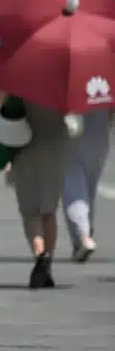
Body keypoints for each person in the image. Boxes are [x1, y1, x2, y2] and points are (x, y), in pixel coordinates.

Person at [7, 103, 87, 288]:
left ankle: (40, 255)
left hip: (25, 143)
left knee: (30, 210)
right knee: (49, 209)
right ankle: (48, 261)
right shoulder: (63, 84)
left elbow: (7, 113)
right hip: (56, 144)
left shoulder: (19, 82)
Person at [62, 110, 109, 263]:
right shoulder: (106, 86)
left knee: (73, 188)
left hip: (70, 135)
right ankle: (86, 231)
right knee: (89, 188)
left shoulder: (61, 86)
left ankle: (82, 236)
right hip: (99, 138)